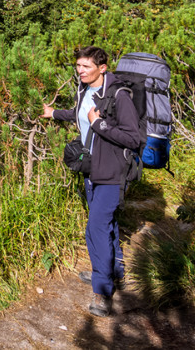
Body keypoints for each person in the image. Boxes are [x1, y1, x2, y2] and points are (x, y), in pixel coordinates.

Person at [41, 46, 143, 317]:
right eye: (78, 66)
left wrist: (99, 126)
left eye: (86, 67)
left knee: (95, 229)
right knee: (106, 224)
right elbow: (81, 114)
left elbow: (133, 138)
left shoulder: (119, 95)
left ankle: (103, 292)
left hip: (113, 171)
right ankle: (114, 272)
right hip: (92, 170)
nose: (80, 71)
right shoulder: (86, 90)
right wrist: (54, 114)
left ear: (103, 67)